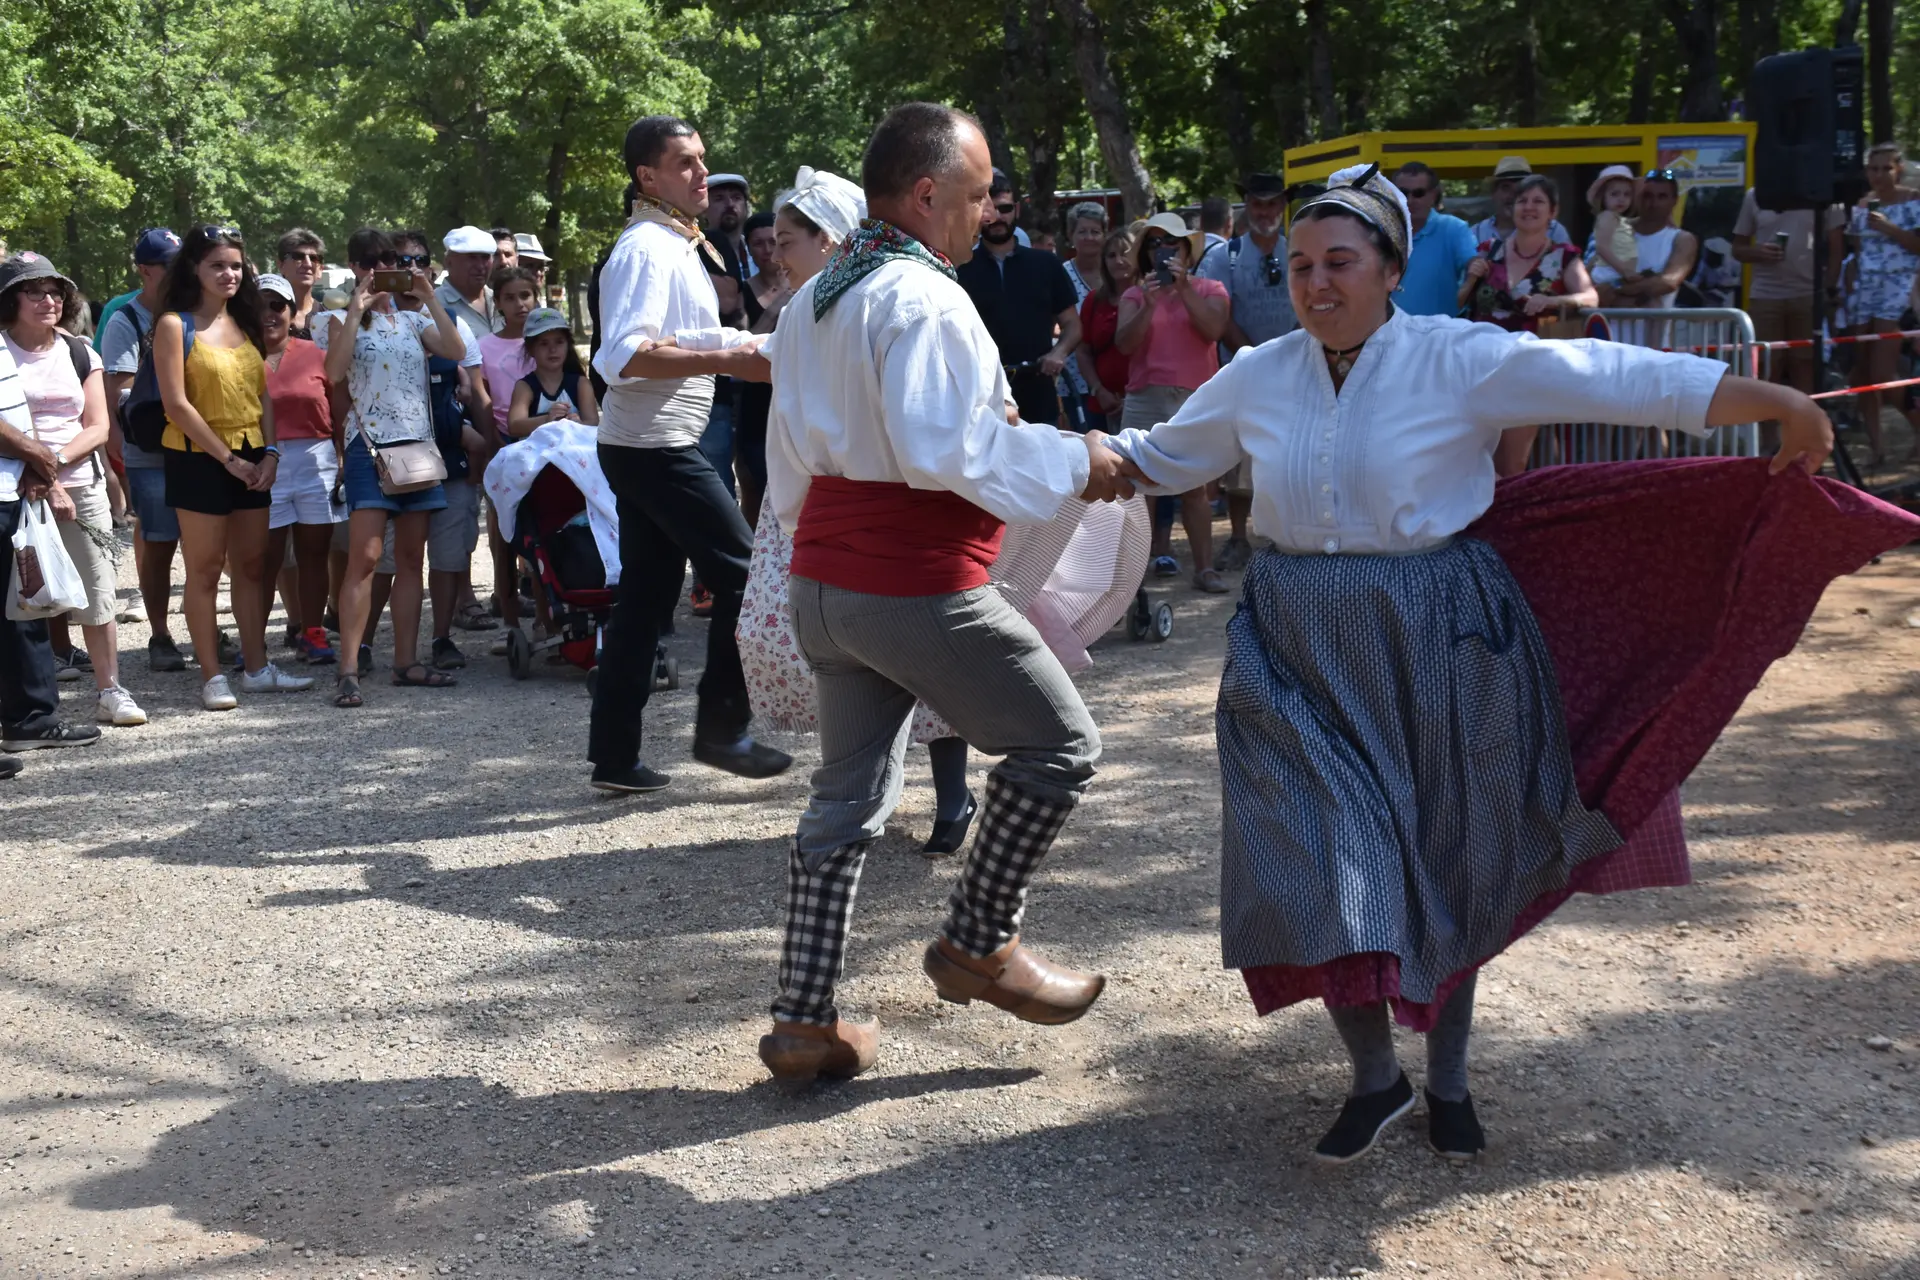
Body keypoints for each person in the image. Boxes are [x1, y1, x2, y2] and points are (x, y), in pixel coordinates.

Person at [1099, 162, 1913, 1167]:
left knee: (1452, 861)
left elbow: (1609, 379)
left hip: (1436, 627)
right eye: (1301, 262)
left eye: (1339, 261)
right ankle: (1374, 1077)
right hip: (1295, 637)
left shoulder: (1458, 357)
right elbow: (1165, 454)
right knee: (1312, 854)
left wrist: (1769, 399)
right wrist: (1050, 460)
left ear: (1392, 270)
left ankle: (1447, 1081)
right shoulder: (1261, 371)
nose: (1315, 281)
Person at [756, 101, 1138, 1081]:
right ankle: (978, 939)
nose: (985, 211)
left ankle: (804, 1017)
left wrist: (830, 561)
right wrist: (1073, 459)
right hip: (909, 581)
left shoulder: (816, 298)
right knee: (1060, 744)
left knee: (846, 798)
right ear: (927, 194)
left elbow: (790, 465)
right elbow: (949, 451)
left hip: (829, 583)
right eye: (973, 195)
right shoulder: (921, 298)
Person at [733, 163, 977, 855]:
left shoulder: (889, 300)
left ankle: (946, 799)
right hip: (819, 512)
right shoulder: (810, 311)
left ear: (832, 240)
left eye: (788, 239)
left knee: (925, 657)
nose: (775, 253)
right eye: (775, 240)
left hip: (883, 512)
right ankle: (861, 802)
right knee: (851, 664)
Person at [586, 114, 791, 793]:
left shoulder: (674, 242)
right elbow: (620, 356)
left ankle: (614, 758)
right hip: (654, 447)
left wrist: (751, 346)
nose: (703, 173)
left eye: (703, 160)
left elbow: (689, 335)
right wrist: (731, 356)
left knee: (644, 598)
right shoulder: (647, 247)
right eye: (685, 163)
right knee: (744, 570)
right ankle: (721, 729)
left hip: (645, 444)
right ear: (648, 177)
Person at [153, 225, 314, 710]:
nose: (229, 273)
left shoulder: (246, 322)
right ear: (195, 270)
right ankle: (211, 675)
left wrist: (269, 454)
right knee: (203, 571)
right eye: (217, 265)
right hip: (197, 459)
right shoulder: (173, 325)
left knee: (252, 565)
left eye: (236, 265)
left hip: (253, 457)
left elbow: (262, 393)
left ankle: (256, 666)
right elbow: (176, 405)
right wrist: (230, 461)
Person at [317, 227, 469, 708]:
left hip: (417, 447)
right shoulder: (339, 319)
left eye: (392, 262)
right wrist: (358, 307)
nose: (384, 271)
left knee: (410, 560)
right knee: (363, 558)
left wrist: (428, 297)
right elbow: (335, 373)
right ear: (357, 268)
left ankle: (406, 660)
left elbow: (456, 350)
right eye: (372, 263)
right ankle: (348, 669)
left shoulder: (412, 320)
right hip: (369, 447)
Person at [0, 254, 146, 727]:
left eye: (56, 291)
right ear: (9, 299)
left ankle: (110, 689)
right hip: (11, 487)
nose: (50, 300)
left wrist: (53, 464)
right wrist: (35, 467)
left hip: (79, 486)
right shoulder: (0, 350)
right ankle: (28, 706)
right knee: (22, 598)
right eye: (35, 291)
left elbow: (99, 425)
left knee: (97, 592)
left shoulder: (81, 350)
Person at [0, 333, 103, 763]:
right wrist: (35, 453)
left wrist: (36, 466)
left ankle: (33, 719)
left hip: (10, 487)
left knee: (22, 611)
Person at [1117, 212, 1229, 592]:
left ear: (1186, 251)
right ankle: (1135, 578)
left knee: (1196, 488)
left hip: (1194, 400)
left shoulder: (1211, 289)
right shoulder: (1133, 295)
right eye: (1154, 243)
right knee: (1136, 489)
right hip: (1144, 398)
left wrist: (1183, 290)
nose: (1162, 251)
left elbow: (1214, 331)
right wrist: (1148, 304)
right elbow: (1124, 345)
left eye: (1171, 244)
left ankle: (1205, 568)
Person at [1198, 171, 1300, 570]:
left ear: (1283, 206)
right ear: (1246, 207)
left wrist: (1288, 350)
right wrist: (1256, 354)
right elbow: (1219, 315)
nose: (1265, 211)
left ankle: (1288, 533)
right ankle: (1239, 538)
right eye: (1258, 204)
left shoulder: (1297, 252)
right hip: (1244, 369)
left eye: (1273, 203)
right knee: (1241, 458)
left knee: (1292, 454)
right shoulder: (1226, 256)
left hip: (1294, 368)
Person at [97, 227, 188, 672]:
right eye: (168, 267)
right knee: (159, 544)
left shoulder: (196, 314)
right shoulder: (125, 320)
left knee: (208, 547)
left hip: (198, 450)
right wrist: (122, 468)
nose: (178, 275)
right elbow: (118, 397)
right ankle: (160, 634)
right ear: (145, 271)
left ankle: (206, 629)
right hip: (150, 455)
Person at [254, 272, 341, 667]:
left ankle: (312, 631)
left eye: (278, 305)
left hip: (315, 458)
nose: (268, 313)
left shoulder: (314, 353)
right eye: (259, 305)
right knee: (264, 558)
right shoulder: (237, 354)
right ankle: (254, 642)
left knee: (313, 552)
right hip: (260, 463)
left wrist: (341, 456)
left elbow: (339, 408)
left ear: (291, 312)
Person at [955, 171, 1081, 425]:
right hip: (981, 395)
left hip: (1038, 388)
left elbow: (1073, 325)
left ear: (1017, 209)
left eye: (1005, 208)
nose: (998, 217)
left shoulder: (1045, 264)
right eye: (990, 210)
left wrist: (1058, 353)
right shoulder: (959, 268)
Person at [1730, 185, 1846, 397]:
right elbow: (1738, 248)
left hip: (1808, 295)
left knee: (1805, 368)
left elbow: (1837, 249)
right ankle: (1768, 430)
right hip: (1765, 295)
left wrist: (1827, 291)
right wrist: (1757, 252)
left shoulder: (1823, 192)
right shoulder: (1756, 194)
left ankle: (1803, 428)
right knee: (1766, 371)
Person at [1845, 144, 1920, 462]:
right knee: (1860, 373)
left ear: (1898, 169)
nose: (1878, 175)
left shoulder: (1913, 200)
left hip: (1899, 286)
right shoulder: (1861, 206)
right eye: (1872, 169)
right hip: (1865, 289)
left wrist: (1888, 226)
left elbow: (1917, 246)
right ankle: (1877, 447)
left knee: (1882, 373)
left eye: (1884, 168)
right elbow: (1857, 252)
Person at [1461, 175, 1598, 333]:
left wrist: (1551, 301)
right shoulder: (1488, 250)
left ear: (1553, 211)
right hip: (1486, 352)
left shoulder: (1564, 257)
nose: (1528, 207)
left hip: (1537, 353)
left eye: (1538, 201)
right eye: (1522, 201)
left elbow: (1591, 297)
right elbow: (1459, 301)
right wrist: (1470, 279)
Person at [1606, 170, 1699, 347]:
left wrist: (1619, 289)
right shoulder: (1614, 231)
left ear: (1674, 201)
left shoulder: (1681, 239)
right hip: (1610, 339)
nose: (1653, 203)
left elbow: (1667, 283)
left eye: (1662, 196)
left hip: (1654, 343)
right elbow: (1596, 284)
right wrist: (1646, 287)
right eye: (1647, 196)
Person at [734, 210, 783, 521]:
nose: (767, 251)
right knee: (756, 481)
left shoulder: (805, 281)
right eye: (758, 244)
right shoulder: (744, 290)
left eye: (773, 242)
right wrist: (778, 307)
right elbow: (743, 341)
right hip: (755, 399)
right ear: (748, 249)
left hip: (789, 394)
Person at [1391, 162, 1477, 318]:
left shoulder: (1453, 229)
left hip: (1438, 336)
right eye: (1403, 193)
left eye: (1418, 193)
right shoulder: (1381, 231)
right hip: (1388, 334)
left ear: (1433, 195)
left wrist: (1467, 286)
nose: (1410, 200)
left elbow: (1475, 264)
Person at [1075, 227, 1137, 433]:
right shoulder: (1094, 300)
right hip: (1101, 404)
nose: (1119, 261)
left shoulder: (1152, 298)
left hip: (1144, 402)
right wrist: (1099, 390)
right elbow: (1083, 351)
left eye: (1125, 253)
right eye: (1111, 255)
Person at [1056, 201, 1109, 433]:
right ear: (1071, 235)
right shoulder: (1060, 274)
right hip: (1076, 382)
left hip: (1116, 380)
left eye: (1095, 232)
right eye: (1082, 231)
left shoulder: (1117, 272)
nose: (1089, 238)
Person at [508, 307, 599, 435]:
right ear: (530, 349)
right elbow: (514, 426)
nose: (552, 350)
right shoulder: (525, 387)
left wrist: (578, 425)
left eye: (559, 342)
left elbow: (593, 423)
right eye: (544, 344)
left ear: (568, 345)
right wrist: (547, 419)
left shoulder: (581, 384)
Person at [1467, 156, 1571, 246]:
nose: (1513, 195)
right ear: (1494, 193)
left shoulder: (1553, 230)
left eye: (1521, 188)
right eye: (1506, 188)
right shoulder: (1476, 233)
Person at [1584, 166, 1641, 304]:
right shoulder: (1607, 216)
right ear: (1602, 197)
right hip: (1607, 273)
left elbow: (1641, 221)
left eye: (1627, 194)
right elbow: (1601, 247)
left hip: (1612, 272)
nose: (1621, 199)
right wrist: (1624, 270)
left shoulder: (1619, 220)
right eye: (1614, 194)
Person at [436, 226, 497, 338]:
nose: (480, 266)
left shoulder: (500, 300)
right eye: (472, 257)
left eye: (485, 257)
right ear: (449, 262)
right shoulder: (434, 305)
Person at [275, 229, 327, 337]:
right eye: (298, 257)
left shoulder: (330, 318)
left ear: (320, 269)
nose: (308, 264)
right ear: (281, 265)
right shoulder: (266, 316)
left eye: (314, 258)